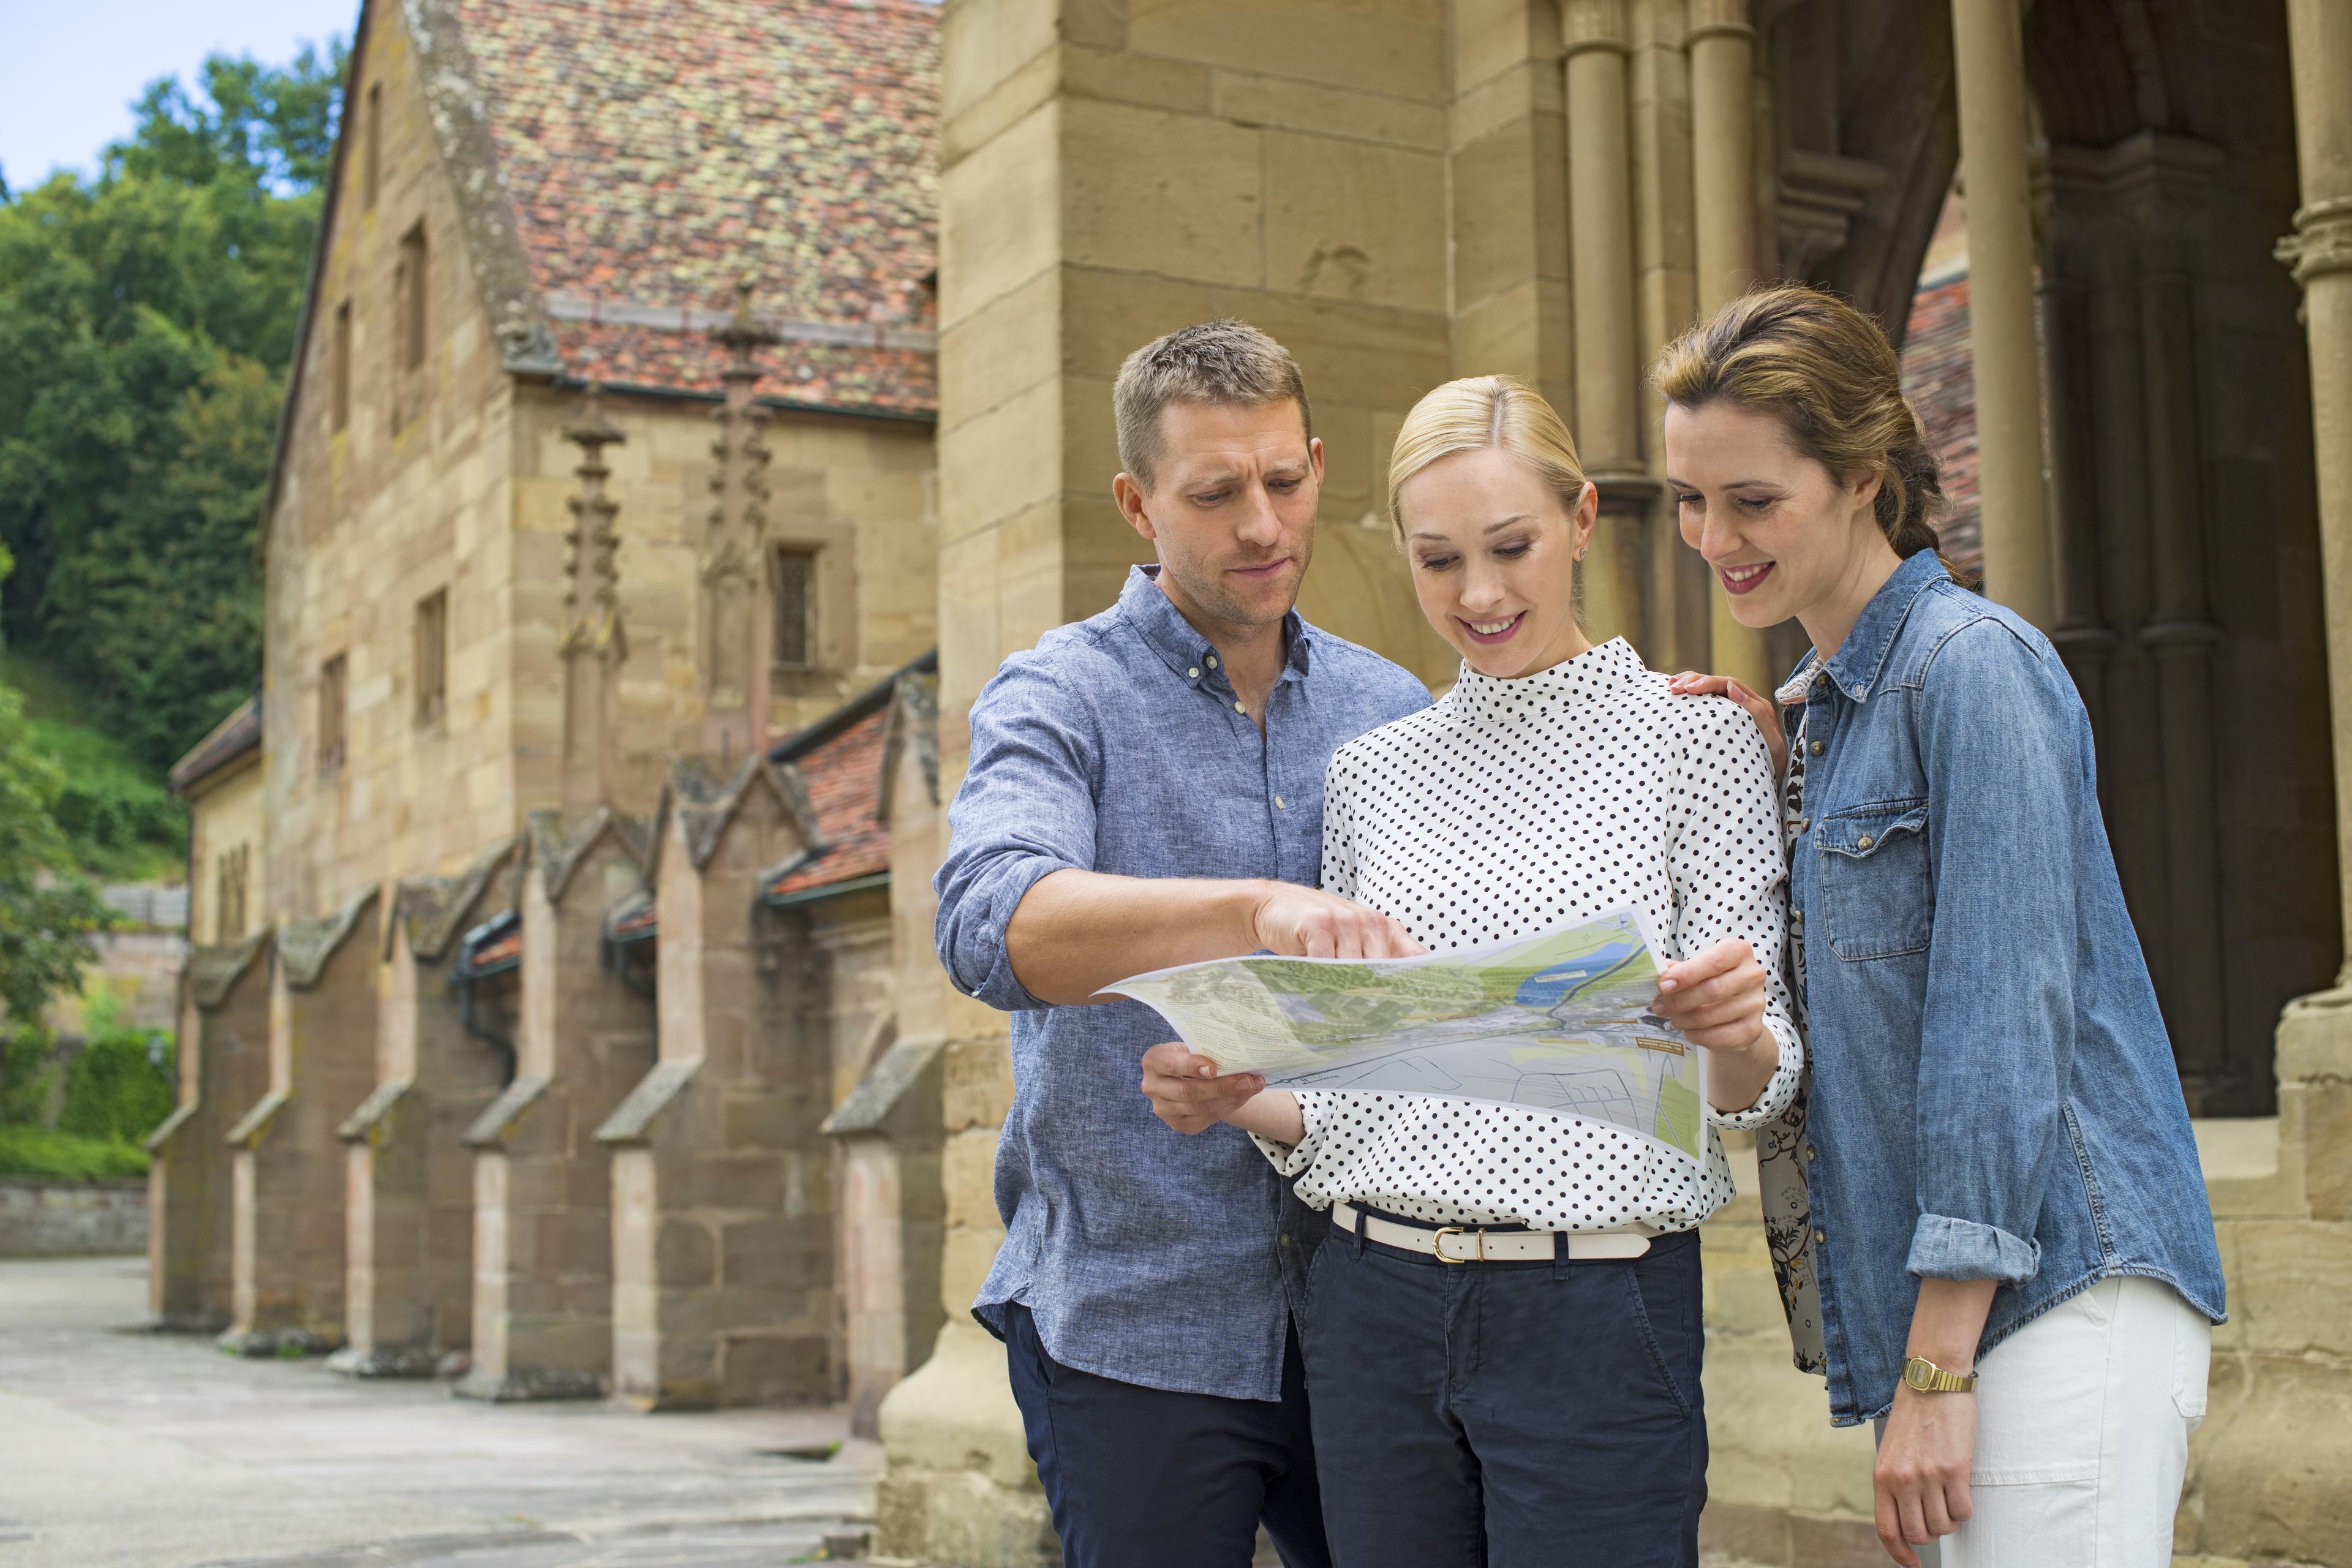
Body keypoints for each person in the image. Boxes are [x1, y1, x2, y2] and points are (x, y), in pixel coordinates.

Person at [1142, 374, 1803, 1568]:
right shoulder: (1371, 772)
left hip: (1596, 1311)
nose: (1482, 593)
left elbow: (1761, 1082)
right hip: (1371, 1305)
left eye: (1512, 546)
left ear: (1583, 520)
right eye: (1440, 560)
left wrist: (1728, 1028)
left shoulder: (1696, 738)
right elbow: (1349, 1091)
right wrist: (1241, 1091)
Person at [1656, 285, 2225, 1568]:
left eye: (1754, 499)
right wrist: (1777, 773)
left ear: (1863, 475)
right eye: (1693, 499)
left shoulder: (1973, 665)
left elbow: (1998, 1022)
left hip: (2063, 1288)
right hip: (1965, 1318)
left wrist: (1936, 1369)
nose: (1714, 537)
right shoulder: (1821, 717)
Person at [933, 319, 1433, 1568]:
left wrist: (1688, 718)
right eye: (1215, 493)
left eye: (1284, 479)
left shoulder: (1392, 703)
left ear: (1317, 463)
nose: (1262, 522)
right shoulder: (1056, 693)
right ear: (1136, 503)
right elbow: (990, 921)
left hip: (1366, 1306)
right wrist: (1252, 909)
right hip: (1132, 1322)